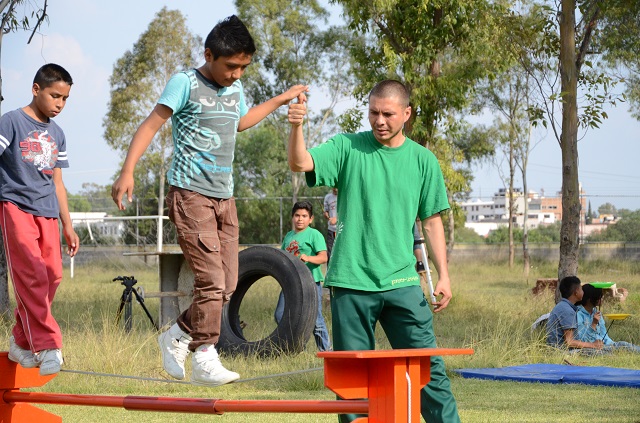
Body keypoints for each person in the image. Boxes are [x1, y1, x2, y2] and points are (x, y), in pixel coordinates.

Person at [110, 15, 308, 387]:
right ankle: (204, 354)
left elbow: (240, 121)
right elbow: (151, 124)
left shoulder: (235, 90)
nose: (236, 74)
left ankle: (177, 335)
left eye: (243, 68)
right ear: (209, 54)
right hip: (190, 193)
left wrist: (281, 100)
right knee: (212, 279)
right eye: (231, 66)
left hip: (224, 197)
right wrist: (128, 171)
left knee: (228, 283)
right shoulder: (185, 83)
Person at [287, 80, 459, 423]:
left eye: (388, 114)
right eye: (373, 113)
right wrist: (296, 127)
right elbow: (300, 162)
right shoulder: (347, 147)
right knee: (352, 385)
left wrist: (444, 275)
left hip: (403, 282)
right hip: (351, 282)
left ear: (407, 114)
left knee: (431, 373)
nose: (379, 121)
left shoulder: (423, 161)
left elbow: (432, 222)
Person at [0, 63, 79, 376]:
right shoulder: (11, 122)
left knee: (52, 276)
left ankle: (21, 340)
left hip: (48, 213)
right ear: (36, 90)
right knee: (31, 275)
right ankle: (48, 345)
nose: (59, 104)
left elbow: (57, 182)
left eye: (65, 99)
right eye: (54, 95)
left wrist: (68, 225)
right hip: (15, 208)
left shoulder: (57, 133)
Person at [274, 200, 331, 351]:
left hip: (311, 282)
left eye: (304, 216)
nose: (300, 219)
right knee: (280, 315)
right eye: (297, 215)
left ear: (310, 219)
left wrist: (308, 258)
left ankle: (326, 352)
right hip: (290, 283)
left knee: (316, 320)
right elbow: (283, 257)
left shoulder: (314, 234)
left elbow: (324, 257)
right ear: (293, 217)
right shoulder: (289, 236)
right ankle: (297, 348)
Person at [575, 283, 640, 353]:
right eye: (599, 297)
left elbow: (604, 334)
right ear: (590, 299)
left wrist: (612, 345)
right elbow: (583, 339)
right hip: (591, 347)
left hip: (604, 345)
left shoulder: (596, 312)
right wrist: (593, 324)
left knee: (622, 344)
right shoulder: (578, 315)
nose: (602, 299)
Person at [546, 276, 603, 351]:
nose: (583, 292)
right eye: (581, 289)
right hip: (562, 351)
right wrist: (593, 345)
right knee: (606, 352)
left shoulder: (562, 306)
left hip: (557, 348)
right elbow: (569, 342)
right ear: (576, 292)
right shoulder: (567, 311)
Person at [322, 187, 337, 261]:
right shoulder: (328, 197)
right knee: (330, 253)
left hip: (342, 230)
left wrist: (337, 219)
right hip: (331, 230)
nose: (335, 188)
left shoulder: (344, 196)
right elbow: (326, 210)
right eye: (334, 186)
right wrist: (326, 214)